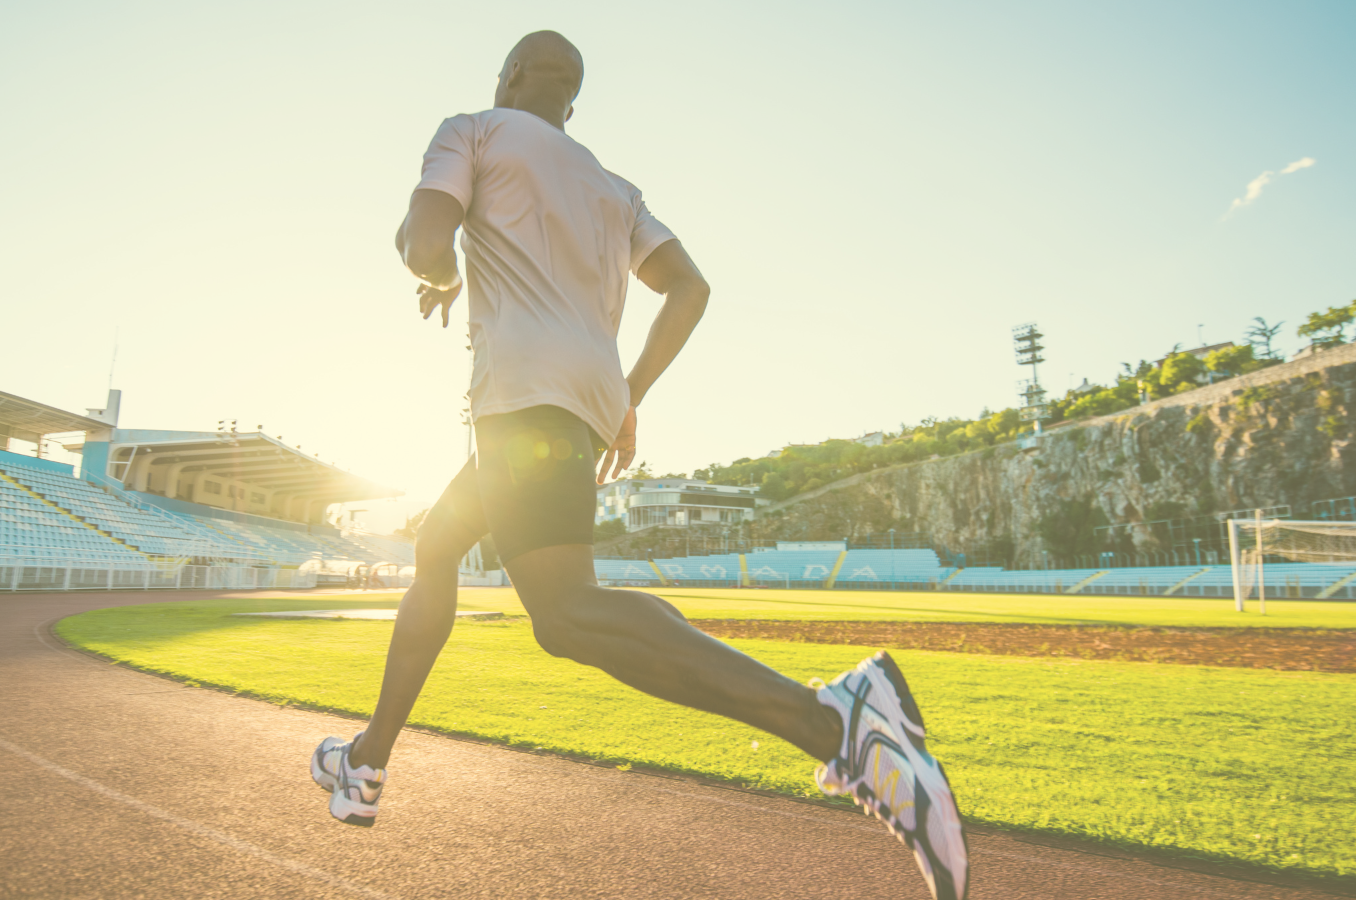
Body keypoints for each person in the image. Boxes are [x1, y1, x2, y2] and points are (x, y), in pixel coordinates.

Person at [310, 31, 968, 900]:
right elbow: (690, 289)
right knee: (437, 550)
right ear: (572, 103)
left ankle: (838, 721)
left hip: (521, 400)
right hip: (575, 407)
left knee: (566, 614)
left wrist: (433, 270)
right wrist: (630, 394)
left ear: (507, 79)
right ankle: (365, 764)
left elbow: (424, 241)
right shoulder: (616, 190)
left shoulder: (470, 130)